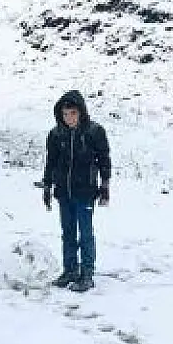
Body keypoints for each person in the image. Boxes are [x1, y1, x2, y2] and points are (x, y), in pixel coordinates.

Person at [41, 90, 111, 293]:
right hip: (64, 192)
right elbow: (51, 162)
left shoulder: (94, 132)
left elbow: (104, 160)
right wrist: (47, 186)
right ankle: (70, 270)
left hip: (85, 192)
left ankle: (87, 273)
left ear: (81, 112)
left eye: (72, 113)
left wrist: (105, 186)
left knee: (86, 234)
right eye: (65, 114)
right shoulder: (56, 135)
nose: (68, 118)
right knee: (68, 233)